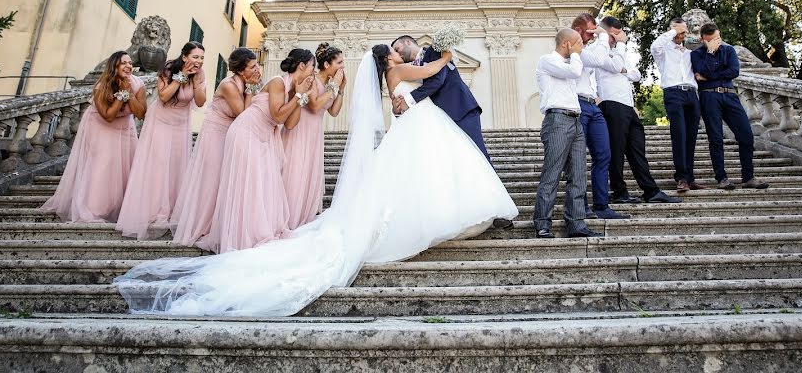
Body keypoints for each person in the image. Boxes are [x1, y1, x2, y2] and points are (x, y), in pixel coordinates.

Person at [114, 43, 517, 316]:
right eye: (393, 50)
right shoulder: (398, 69)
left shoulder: (387, 73)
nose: (397, 50)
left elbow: (345, 105)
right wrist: (447, 49)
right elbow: (429, 69)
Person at [196, 49, 315, 254]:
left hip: (264, 137)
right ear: (302, 66)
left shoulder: (294, 88)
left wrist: (300, 96)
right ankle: (242, 237)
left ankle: (257, 231)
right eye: (313, 67)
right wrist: (297, 96)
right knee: (249, 183)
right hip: (246, 132)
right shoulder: (278, 82)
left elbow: (291, 124)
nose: (314, 72)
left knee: (264, 183)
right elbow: (278, 116)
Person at [390, 34, 512, 229]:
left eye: (397, 49)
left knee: (479, 157)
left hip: (461, 110)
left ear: (408, 42)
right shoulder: (412, 67)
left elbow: (437, 81)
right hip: (441, 120)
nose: (397, 53)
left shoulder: (435, 50)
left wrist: (409, 100)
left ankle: (499, 210)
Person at [41, 51, 147, 223]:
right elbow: (108, 115)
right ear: (114, 66)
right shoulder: (102, 86)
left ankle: (121, 208)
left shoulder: (138, 84)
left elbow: (141, 113)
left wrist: (130, 94)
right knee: (103, 165)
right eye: (123, 63)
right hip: (101, 126)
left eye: (130, 63)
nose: (128, 66)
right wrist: (122, 95)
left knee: (126, 164)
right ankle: (94, 209)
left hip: (125, 127)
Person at [170, 48, 261, 247]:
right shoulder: (228, 84)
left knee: (224, 180)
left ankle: (219, 225)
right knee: (211, 179)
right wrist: (250, 89)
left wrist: (251, 88)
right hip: (216, 133)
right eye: (253, 66)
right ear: (241, 70)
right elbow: (243, 114)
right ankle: (202, 226)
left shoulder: (246, 83)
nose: (257, 69)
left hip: (231, 135)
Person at [116, 41, 205, 240]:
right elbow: (164, 96)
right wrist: (182, 77)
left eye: (201, 58)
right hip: (161, 121)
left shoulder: (200, 74)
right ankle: (152, 211)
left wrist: (197, 82)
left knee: (175, 165)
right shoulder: (167, 69)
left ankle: (172, 210)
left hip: (181, 124)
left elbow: (200, 101)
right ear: (185, 57)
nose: (199, 61)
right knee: (158, 164)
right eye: (195, 57)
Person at [595, 17, 681, 205]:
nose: (618, 38)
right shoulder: (598, 50)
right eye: (614, 35)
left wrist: (622, 67)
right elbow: (616, 67)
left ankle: (651, 190)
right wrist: (620, 49)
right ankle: (619, 192)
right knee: (616, 150)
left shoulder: (620, 52)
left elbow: (636, 74)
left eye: (619, 34)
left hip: (627, 105)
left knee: (637, 149)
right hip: (610, 103)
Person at [534, 29, 598, 238]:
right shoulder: (547, 60)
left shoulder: (572, 63)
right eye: (578, 43)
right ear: (566, 44)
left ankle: (576, 223)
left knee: (579, 174)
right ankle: (543, 223)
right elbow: (573, 72)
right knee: (552, 174)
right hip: (557, 120)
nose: (582, 46)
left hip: (576, 119)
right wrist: (577, 55)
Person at [691, 22, 769, 190]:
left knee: (746, 135)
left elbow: (734, 71)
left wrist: (710, 75)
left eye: (717, 39)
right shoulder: (696, 54)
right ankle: (722, 178)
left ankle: (748, 177)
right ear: (702, 39)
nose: (716, 43)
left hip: (730, 95)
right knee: (716, 138)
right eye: (711, 40)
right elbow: (702, 72)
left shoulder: (729, 50)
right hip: (709, 96)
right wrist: (711, 53)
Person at [282, 43, 347, 230]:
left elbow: (334, 111)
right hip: (300, 130)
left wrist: (340, 89)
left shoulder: (329, 85)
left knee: (308, 174)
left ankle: (302, 219)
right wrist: (333, 86)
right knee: (295, 171)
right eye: (340, 62)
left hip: (315, 134)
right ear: (327, 65)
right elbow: (315, 106)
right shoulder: (312, 80)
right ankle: (288, 220)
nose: (342, 66)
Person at [569, 14, 628, 220]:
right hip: (577, 105)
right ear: (578, 31)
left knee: (604, 154)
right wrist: (603, 36)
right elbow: (599, 59)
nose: (594, 35)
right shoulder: (574, 48)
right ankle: (581, 206)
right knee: (577, 159)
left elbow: (603, 61)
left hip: (593, 106)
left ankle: (601, 205)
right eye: (591, 31)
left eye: (596, 31)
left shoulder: (589, 48)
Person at [651, 18, 703, 192]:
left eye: (683, 31)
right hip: (673, 93)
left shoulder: (689, 53)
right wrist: (674, 30)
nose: (681, 34)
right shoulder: (663, 51)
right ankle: (681, 177)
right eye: (678, 31)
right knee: (679, 135)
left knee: (691, 137)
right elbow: (655, 46)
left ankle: (690, 177)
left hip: (691, 94)